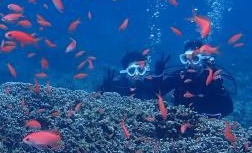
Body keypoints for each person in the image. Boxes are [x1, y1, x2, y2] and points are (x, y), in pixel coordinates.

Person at [99, 40, 234, 117]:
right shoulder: (179, 77)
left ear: (206, 59)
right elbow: (159, 92)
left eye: (195, 58)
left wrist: (219, 90)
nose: (190, 63)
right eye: (185, 59)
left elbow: (228, 109)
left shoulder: (216, 79)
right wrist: (157, 78)